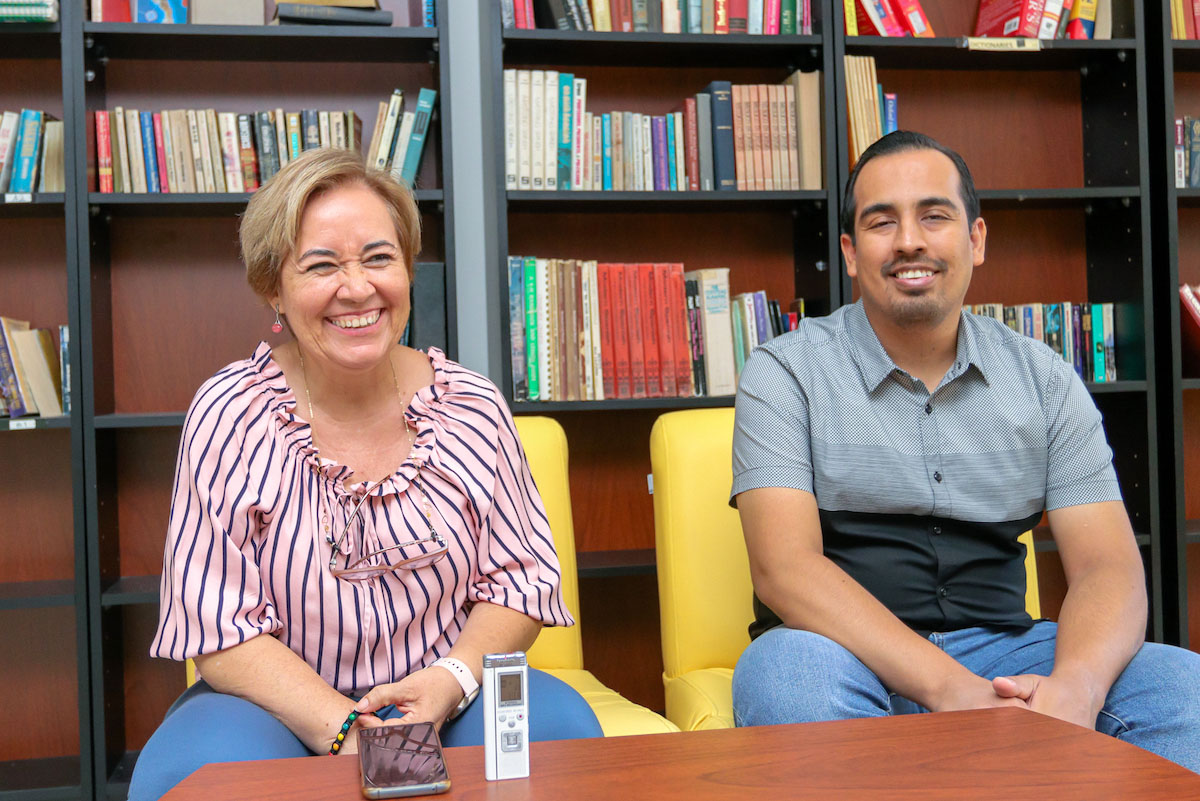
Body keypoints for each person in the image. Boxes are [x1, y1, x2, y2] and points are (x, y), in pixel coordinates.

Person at [129, 149, 601, 800]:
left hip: (450, 696)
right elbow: (217, 624)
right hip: (274, 710)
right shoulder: (230, 411)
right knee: (200, 773)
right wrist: (346, 724)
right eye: (321, 265)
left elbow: (519, 584)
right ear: (274, 288)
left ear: (407, 269)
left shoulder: (473, 404)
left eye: (378, 258)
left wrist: (449, 681)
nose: (356, 289)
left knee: (563, 738)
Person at [729, 131, 1200, 772]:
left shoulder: (1043, 378)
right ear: (850, 252)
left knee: (1182, 685)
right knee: (787, 675)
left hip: (1005, 652)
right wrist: (953, 690)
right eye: (881, 222)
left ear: (976, 239)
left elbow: (1108, 568)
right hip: (842, 653)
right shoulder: (785, 371)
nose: (909, 241)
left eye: (934, 216)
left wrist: (1076, 690)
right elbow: (785, 569)